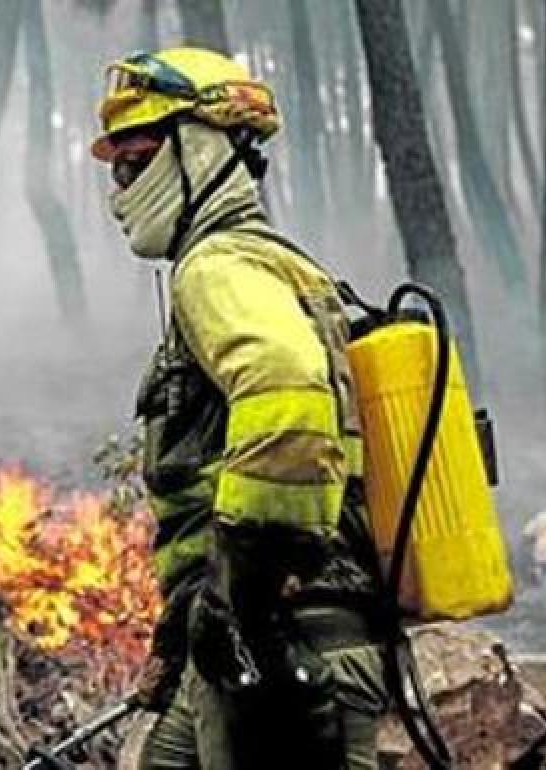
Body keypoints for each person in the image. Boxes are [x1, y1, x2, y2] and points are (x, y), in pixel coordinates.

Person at [92, 47, 389, 769]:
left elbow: (286, 402)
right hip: (245, 646)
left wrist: (237, 602)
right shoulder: (277, 263)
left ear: (200, 146)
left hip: (280, 648)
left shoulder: (217, 266)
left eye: (136, 159)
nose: (121, 186)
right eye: (115, 169)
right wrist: (184, 633)